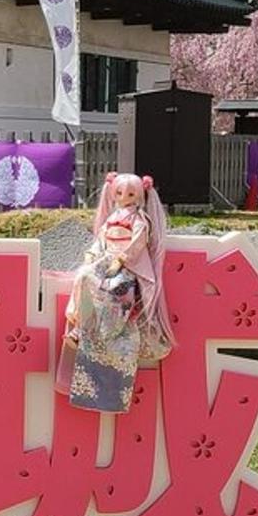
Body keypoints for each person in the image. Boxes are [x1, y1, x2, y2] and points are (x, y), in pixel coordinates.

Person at [61, 172, 173, 413]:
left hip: (125, 268)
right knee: (83, 277)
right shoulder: (111, 218)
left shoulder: (139, 218)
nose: (124, 198)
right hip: (105, 261)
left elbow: (137, 243)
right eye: (120, 193)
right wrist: (92, 255)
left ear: (140, 195)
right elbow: (100, 240)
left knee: (116, 289)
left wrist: (122, 259)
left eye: (131, 194)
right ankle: (80, 323)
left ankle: (99, 328)